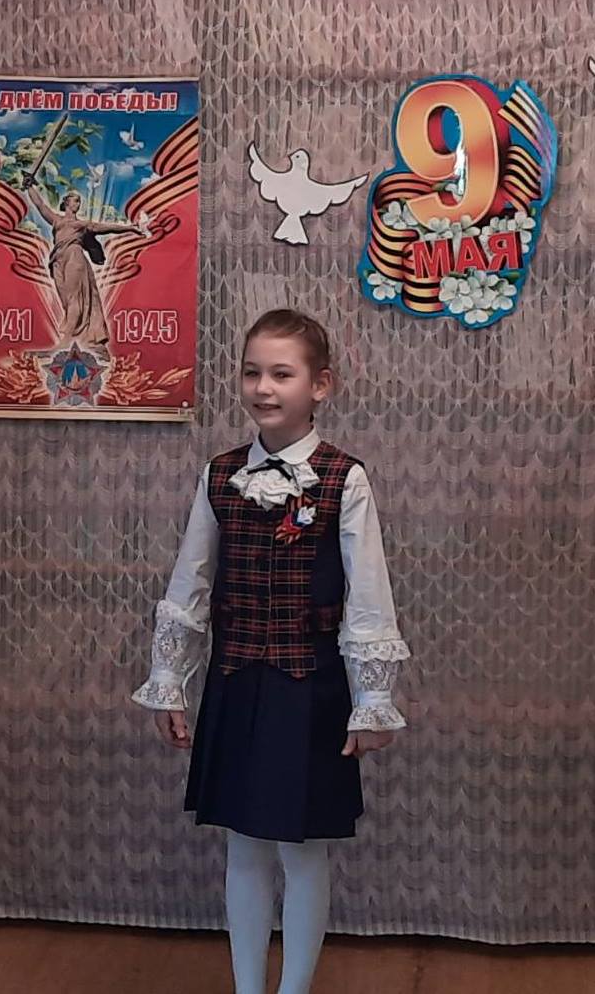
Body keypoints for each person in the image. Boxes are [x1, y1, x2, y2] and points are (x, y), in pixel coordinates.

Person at [132, 308, 410, 994]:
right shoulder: (219, 474)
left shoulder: (345, 479)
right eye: (252, 372)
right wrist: (169, 680)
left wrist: (372, 701)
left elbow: (368, 595)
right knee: (244, 844)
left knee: (302, 848)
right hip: (235, 681)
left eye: (281, 374)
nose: (263, 387)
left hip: (309, 686)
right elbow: (190, 583)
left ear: (321, 385)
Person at [24, 178, 142, 346]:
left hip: (74, 257)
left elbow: (106, 227)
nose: (78, 204)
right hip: (57, 260)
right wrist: (30, 187)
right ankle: (76, 335)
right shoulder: (57, 220)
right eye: (76, 200)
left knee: (74, 298)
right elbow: (40, 205)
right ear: (66, 202)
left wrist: (129, 228)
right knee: (66, 300)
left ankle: (65, 341)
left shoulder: (82, 224)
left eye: (79, 201)